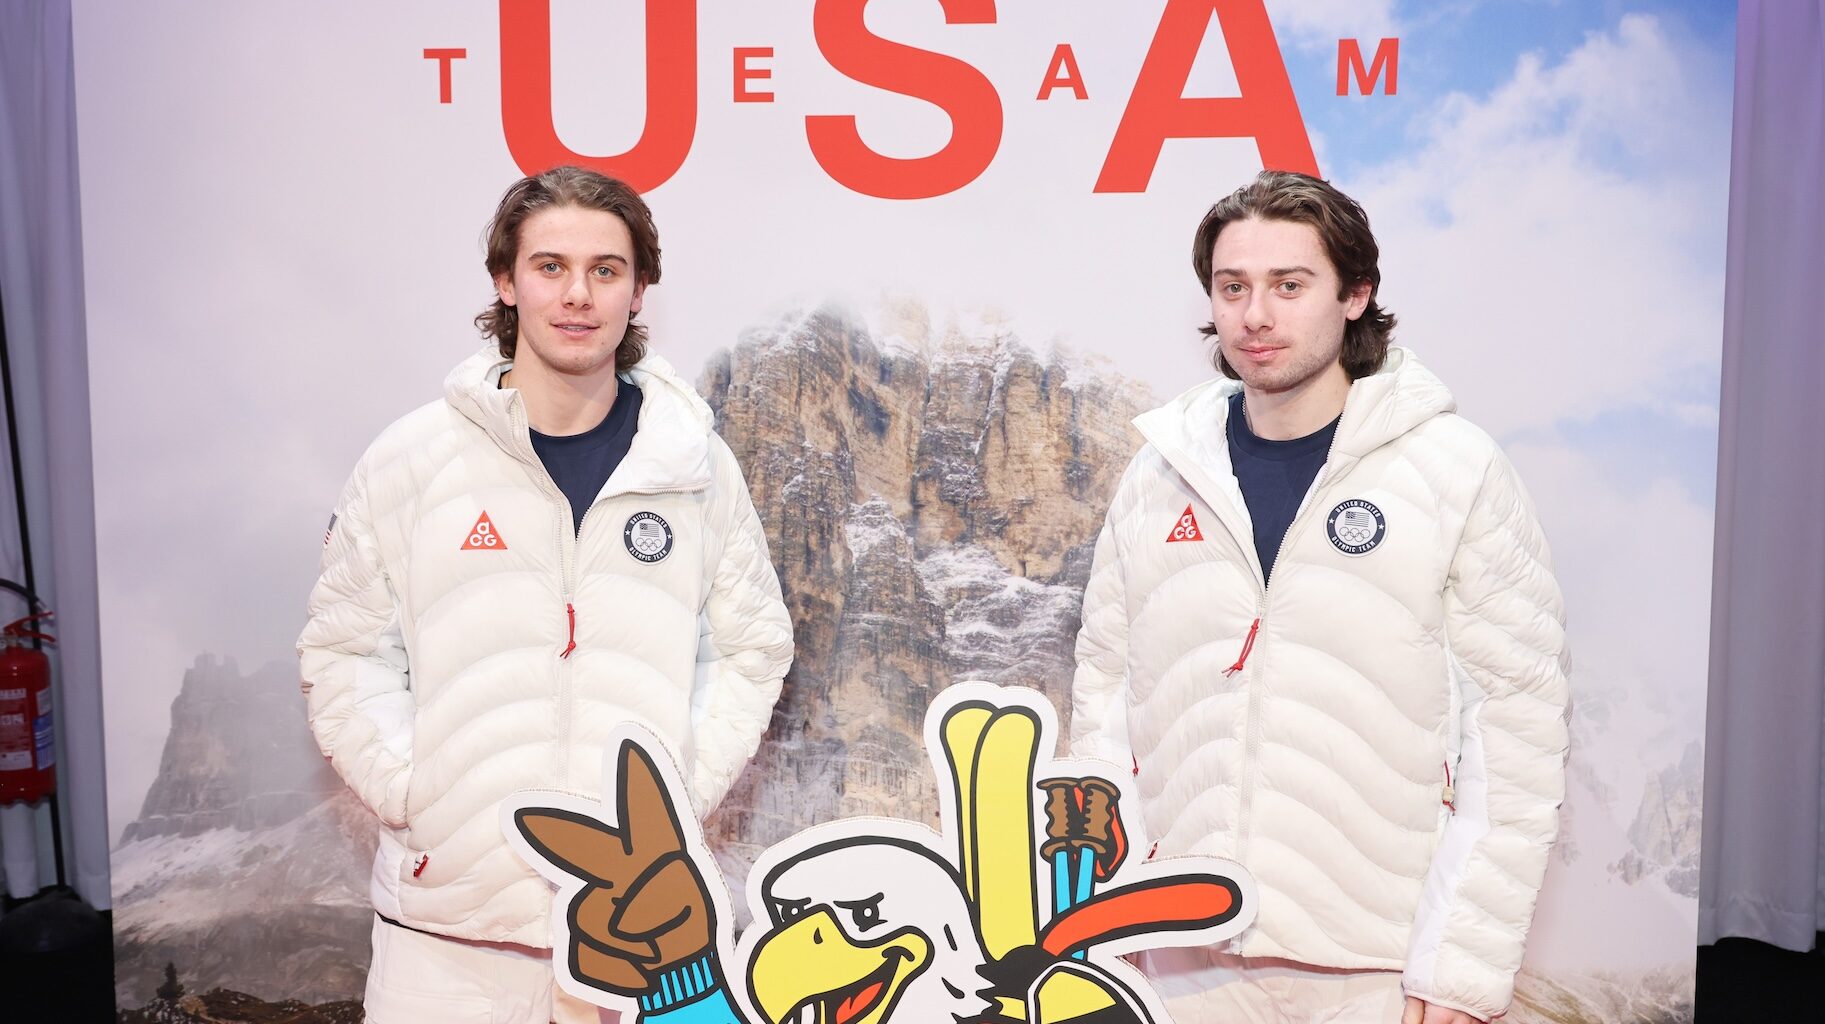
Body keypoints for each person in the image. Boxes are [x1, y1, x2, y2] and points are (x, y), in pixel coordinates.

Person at [1070, 170, 1570, 1024]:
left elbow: (1514, 732)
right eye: (1232, 288)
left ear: (1354, 295)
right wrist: (1101, 934)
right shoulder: (1159, 473)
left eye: (1288, 286)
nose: (1254, 315)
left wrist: (1457, 970)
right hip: (1175, 956)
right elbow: (1105, 707)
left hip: (1372, 967)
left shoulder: (1452, 469)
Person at [299, 166, 794, 1024]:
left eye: (606, 270)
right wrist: (418, 795)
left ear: (640, 290)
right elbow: (344, 653)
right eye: (550, 266)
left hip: (632, 939)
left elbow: (750, 650)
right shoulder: (412, 459)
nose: (578, 295)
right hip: (444, 940)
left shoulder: (694, 467)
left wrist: (672, 801)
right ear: (506, 281)